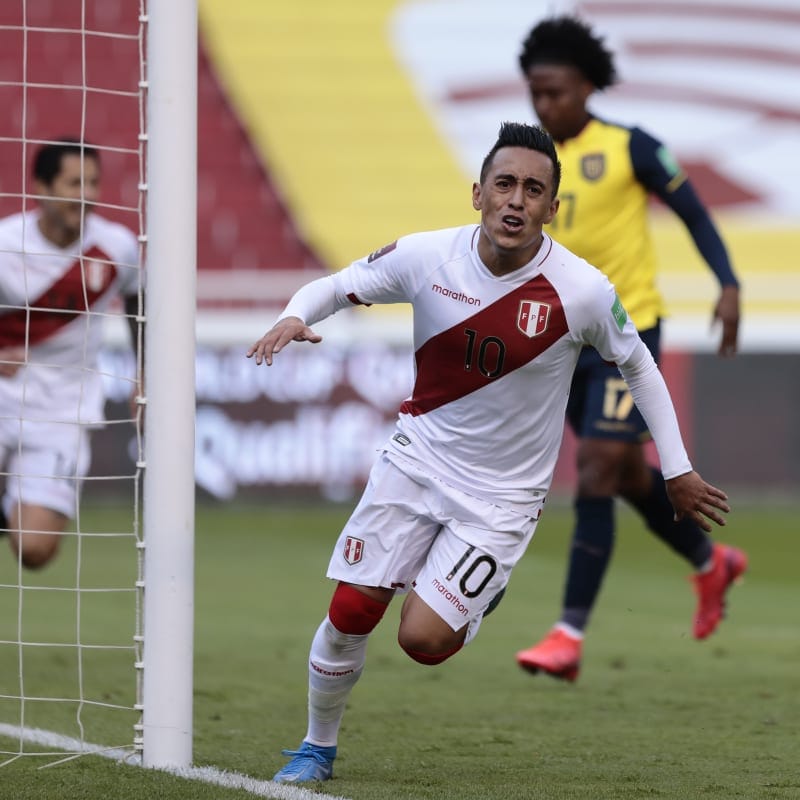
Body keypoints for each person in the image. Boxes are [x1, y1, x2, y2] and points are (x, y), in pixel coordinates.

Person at [247, 121, 730, 783]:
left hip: (501, 499)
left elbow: (640, 366)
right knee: (353, 608)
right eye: (505, 183)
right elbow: (336, 285)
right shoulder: (427, 258)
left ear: (552, 209)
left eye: (534, 190)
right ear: (477, 192)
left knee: (422, 642)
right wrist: (294, 314)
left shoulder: (581, 290)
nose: (517, 200)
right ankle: (316, 748)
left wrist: (676, 469)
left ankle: (476, 600)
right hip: (416, 462)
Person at [513, 16, 746, 682]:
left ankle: (568, 634)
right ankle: (711, 562)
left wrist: (727, 283)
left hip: (627, 333)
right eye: (535, 93)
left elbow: (696, 212)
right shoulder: (530, 166)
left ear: (586, 87)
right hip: (558, 345)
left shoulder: (632, 147)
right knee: (620, 473)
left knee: (595, 466)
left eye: (554, 92)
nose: (544, 105)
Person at [0, 138, 141, 568]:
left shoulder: (117, 247)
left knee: (36, 551)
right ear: (41, 187)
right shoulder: (5, 244)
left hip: (62, 408)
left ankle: (13, 501)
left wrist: (145, 374)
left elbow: (140, 304)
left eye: (93, 183)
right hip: (3, 393)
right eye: (73, 182)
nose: (87, 195)